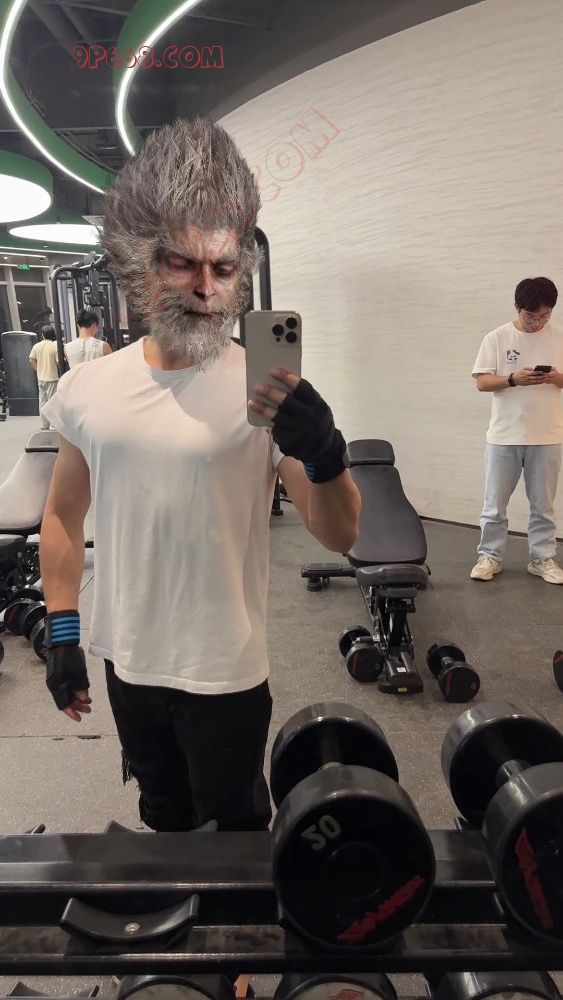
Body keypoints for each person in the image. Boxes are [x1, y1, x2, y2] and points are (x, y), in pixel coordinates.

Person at [39, 116, 361, 835]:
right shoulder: (88, 388)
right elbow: (61, 516)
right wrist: (62, 628)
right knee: (161, 816)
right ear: (139, 265)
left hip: (224, 668)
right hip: (128, 661)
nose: (206, 288)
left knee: (237, 833)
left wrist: (325, 455)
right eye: (181, 264)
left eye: (222, 268)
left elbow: (340, 533)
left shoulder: (264, 388)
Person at [471, 276, 563, 584]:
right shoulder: (497, 338)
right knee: (494, 505)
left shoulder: (559, 337)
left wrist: (554, 377)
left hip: (548, 436)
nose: (538, 322)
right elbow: (482, 382)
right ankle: (490, 556)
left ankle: (542, 558)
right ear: (517, 307)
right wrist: (513, 379)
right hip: (503, 436)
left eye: (545, 316)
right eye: (531, 316)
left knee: (544, 507)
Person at [28, 325, 59, 430]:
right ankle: (53, 425)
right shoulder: (55, 345)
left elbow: (31, 359)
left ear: (42, 335)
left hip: (41, 378)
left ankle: (44, 424)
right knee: (52, 402)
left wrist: (38, 369)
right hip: (53, 377)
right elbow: (59, 361)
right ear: (53, 334)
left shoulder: (37, 346)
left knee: (42, 402)